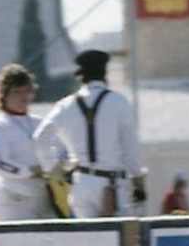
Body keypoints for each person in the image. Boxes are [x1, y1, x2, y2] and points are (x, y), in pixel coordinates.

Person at [34, 49, 146, 218]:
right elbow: (130, 149)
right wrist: (138, 179)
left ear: (80, 75)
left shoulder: (65, 105)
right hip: (113, 184)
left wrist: (53, 169)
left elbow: (40, 138)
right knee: (117, 240)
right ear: (104, 73)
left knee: (87, 240)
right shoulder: (119, 102)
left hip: (81, 184)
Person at [0, 64, 51, 221]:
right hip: (12, 200)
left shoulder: (41, 122)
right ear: (3, 95)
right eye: (16, 92)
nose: (23, 97)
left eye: (27, 91)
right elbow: (0, 164)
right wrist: (31, 171)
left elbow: (58, 152)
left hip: (44, 197)